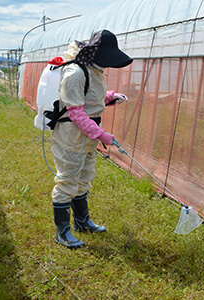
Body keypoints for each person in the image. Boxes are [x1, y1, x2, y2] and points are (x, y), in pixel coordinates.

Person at [51, 29, 133, 248]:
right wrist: (101, 134)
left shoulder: (94, 70)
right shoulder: (75, 74)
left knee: (84, 177)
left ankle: (82, 222)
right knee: (68, 180)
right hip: (71, 136)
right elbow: (76, 111)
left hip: (87, 136)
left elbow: (90, 98)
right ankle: (62, 233)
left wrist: (110, 97)